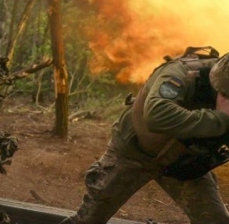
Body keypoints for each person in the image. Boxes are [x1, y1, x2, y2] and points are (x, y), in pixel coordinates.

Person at [62, 47, 229, 224]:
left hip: (182, 163)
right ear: (220, 89)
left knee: (216, 221)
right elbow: (157, 115)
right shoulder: (181, 73)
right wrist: (220, 119)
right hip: (133, 153)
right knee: (88, 220)